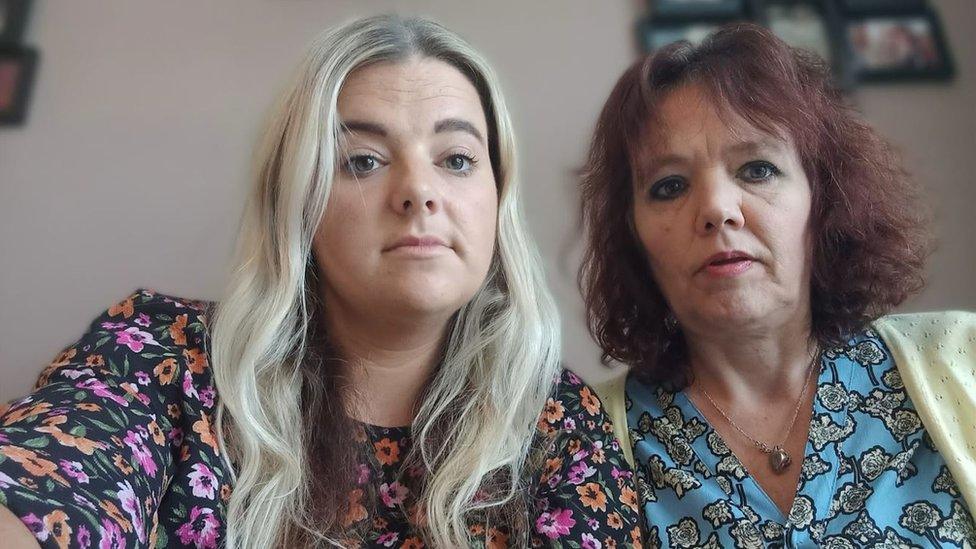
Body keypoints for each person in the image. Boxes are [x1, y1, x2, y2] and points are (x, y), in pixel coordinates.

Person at [0, 15, 642, 548]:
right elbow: (49, 492)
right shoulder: (161, 356)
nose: (419, 191)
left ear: (497, 200)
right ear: (297, 203)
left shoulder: (556, 422)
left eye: (456, 160)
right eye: (361, 160)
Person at [579, 23, 975, 547]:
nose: (718, 209)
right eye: (669, 186)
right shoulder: (585, 439)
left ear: (824, 202)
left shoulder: (962, 358)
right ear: (634, 236)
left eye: (757, 169)